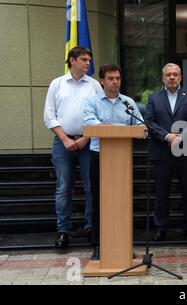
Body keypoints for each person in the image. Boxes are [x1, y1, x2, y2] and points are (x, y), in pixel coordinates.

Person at [83, 64, 144, 259]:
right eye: (110, 78)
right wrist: (109, 127)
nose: (115, 82)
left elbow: (141, 126)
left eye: (118, 78)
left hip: (122, 161)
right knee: (98, 202)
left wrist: (115, 128)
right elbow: (90, 122)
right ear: (102, 81)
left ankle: (123, 244)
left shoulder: (128, 103)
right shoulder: (92, 102)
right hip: (98, 157)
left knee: (122, 202)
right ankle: (99, 246)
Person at [44, 47, 102, 249]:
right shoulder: (57, 84)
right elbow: (49, 115)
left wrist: (86, 137)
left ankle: (90, 228)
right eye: (84, 59)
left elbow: (100, 114)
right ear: (72, 60)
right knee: (63, 187)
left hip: (89, 143)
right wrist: (65, 139)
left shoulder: (94, 85)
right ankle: (63, 231)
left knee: (90, 187)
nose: (88, 63)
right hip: (63, 143)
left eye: (89, 60)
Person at [145, 63, 187, 241]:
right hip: (162, 151)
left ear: (181, 77)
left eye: (175, 74)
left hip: (185, 151)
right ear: (163, 78)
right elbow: (150, 122)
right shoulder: (154, 98)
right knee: (161, 192)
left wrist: (181, 136)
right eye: (168, 75)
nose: (172, 77)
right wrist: (167, 136)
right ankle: (161, 227)